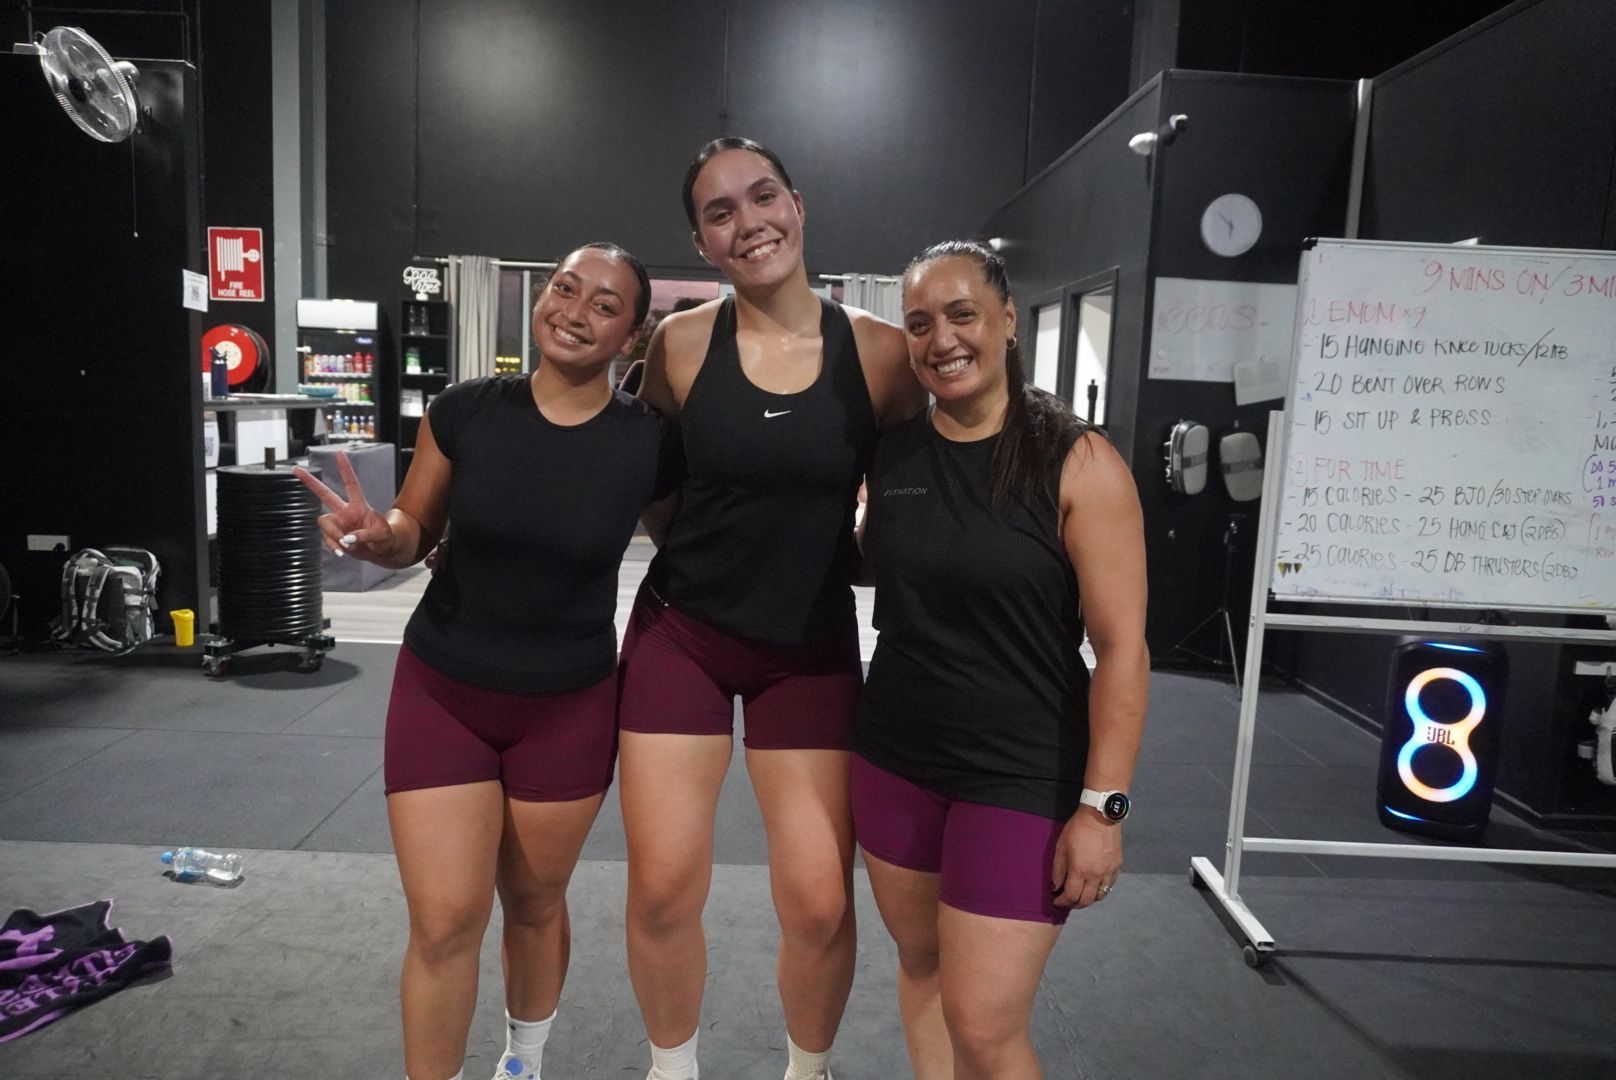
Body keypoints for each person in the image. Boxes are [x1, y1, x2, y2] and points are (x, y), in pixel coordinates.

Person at [293, 243, 676, 1080]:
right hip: (444, 691)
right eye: (565, 289)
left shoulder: (649, 444)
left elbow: (690, 553)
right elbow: (413, 530)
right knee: (443, 921)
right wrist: (377, 535)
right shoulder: (466, 410)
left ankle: (521, 1064)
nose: (575, 311)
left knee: (535, 904)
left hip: (569, 706)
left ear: (631, 335)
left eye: (603, 305)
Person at [619, 136, 927, 1080]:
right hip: (685, 637)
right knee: (667, 887)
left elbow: (923, 507)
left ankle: (808, 1069)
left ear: (797, 205)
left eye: (761, 198)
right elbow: (651, 494)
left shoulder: (879, 356)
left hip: (811, 648)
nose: (747, 223)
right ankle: (673, 1069)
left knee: (820, 903)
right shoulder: (677, 346)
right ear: (703, 244)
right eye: (721, 213)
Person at [851, 240, 1149, 1080]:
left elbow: (1123, 648)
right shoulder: (898, 452)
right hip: (896, 762)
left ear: (1007, 320)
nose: (941, 338)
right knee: (921, 969)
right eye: (919, 323)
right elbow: (881, 564)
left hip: (1020, 775)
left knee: (984, 1026)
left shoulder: (1078, 461)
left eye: (962, 314)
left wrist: (1103, 810)